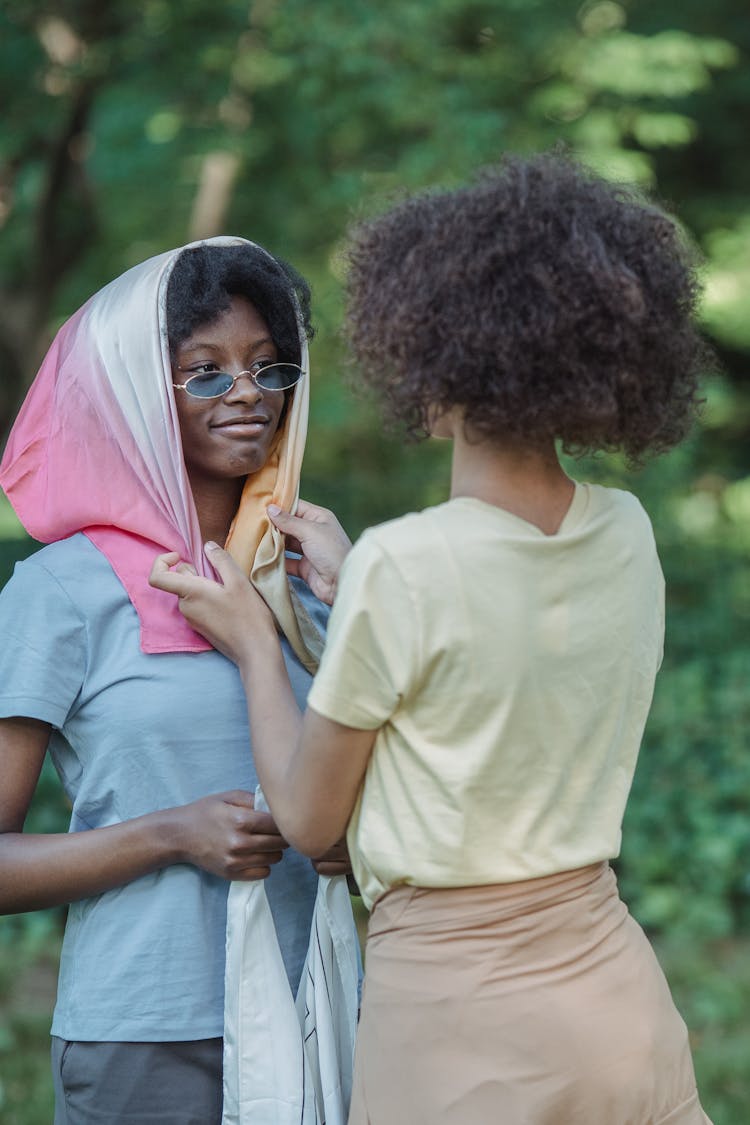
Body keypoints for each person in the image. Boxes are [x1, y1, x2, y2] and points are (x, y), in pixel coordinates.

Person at [151, 153, 715, 1124]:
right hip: (620, 1004)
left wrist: (254, 639)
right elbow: (485, 679)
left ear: (425, 346)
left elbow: (311, 820)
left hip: (463, 1025)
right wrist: (357, 586)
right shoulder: (624, 530)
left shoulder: (407, 568)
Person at [0, 235, 354, 1124]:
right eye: (205, 372)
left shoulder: (313, 574)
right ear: (132, 396)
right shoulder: (61, 591)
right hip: (148, 1039)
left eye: (269, 369)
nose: (246, 393)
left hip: (327, 1005)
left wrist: (352, 606)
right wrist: (169, 834)